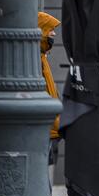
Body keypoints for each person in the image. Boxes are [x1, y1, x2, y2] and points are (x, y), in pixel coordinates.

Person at [38, 12, 62, 166]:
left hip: (51, 131)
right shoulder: (37, 59)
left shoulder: (42, 57)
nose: (53, 33)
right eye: (49, 29)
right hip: (45, 132)